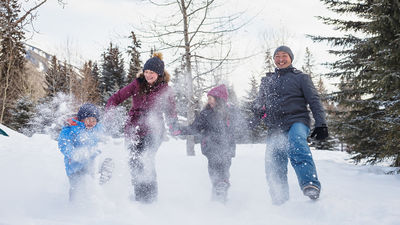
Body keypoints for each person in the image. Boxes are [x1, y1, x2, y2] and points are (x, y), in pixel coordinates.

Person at [252, 46, 329, 205]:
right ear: (274, 59)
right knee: (274, 159)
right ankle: (279, 197)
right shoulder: (267, 80)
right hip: (275, 125)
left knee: (296, 143)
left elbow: (314, 101)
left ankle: (310, 184)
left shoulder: (301, 78)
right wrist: (254, 117)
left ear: (291, 58)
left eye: (284, 56)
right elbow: (259, 105)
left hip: (297, 120)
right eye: (277, 56)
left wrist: (321, 124)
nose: (280, 59)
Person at [106, 52, 179, 203]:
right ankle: (140, 197)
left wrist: (174, 126)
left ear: (159, 73)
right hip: (134, 129)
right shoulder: (137, 84)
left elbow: (171, 111)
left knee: (146, 160)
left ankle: (150, 199)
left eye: (151, 72)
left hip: (154, 130)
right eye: (146, 72)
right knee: (134, 162)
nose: (148, 75)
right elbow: (117, 97)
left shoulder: (166, 90)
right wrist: (110, 111)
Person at [178, 84, 238, 203]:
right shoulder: (206, 113)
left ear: (219, 99)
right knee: (215, 173)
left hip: (226, 148)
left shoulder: (231, 112)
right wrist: (181, 130)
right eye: (208, 98)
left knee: (223, 172)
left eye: (211, 98)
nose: (209, 101)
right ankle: (218, 197)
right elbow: (195, 127)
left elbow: (242, 125)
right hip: (211, 148)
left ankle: (220, 195)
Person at [58, 103, 103, 201]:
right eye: (88, 119)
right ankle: (74, 205)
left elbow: (104, 137)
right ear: (81, 119)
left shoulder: (98, 128)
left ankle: (90, 203)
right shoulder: (70, 129)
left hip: (90, 163)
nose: (91, 123)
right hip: (74, 165)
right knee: (76, 187)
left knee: (90, 184)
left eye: (94, 120)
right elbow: (64, 143)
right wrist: (74, 154)